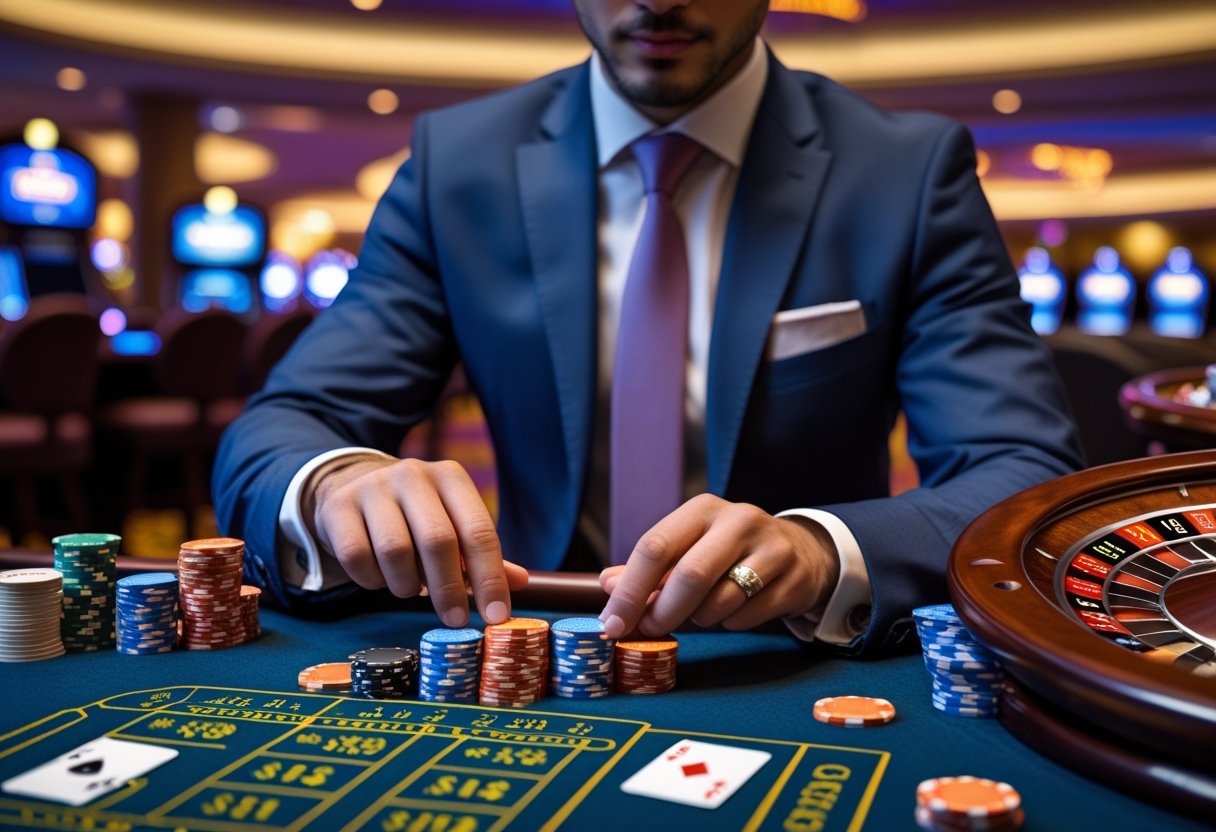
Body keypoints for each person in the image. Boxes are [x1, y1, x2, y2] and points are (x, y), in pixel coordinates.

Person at [214, 0, 1082, 656]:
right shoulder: (457, 163)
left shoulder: (907, 172)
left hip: (785, 651)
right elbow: (282, 427)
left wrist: (822, 550)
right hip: (533, 631)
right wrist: (331, 483)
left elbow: (1021, 472)